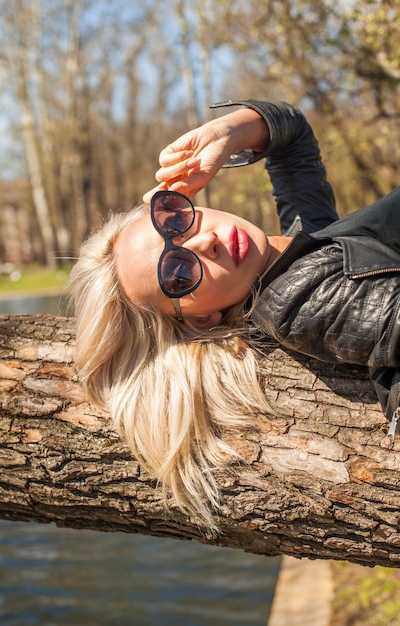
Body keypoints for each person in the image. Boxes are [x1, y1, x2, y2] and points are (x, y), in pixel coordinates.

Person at [70, 99, 400, 531]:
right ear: (202, 319)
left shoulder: (298, 251)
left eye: (175, 223)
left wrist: (226, 135)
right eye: (179, 271)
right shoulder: (296, 301)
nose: (205, 242)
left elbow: (294, 137)